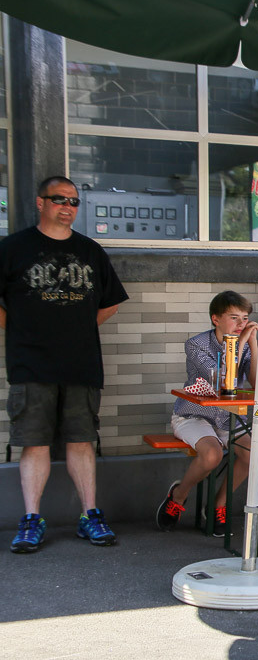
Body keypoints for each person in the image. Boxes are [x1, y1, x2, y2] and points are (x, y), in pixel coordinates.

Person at [2, 176, 128, 553]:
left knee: (81, 440)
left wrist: (74, 330)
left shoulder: (90, 251)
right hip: (30, 363)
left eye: (74, 201)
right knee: (34, 442)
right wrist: (23, 329)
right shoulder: (13, 248)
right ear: (40, 202)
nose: (68, 207)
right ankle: (31, 520)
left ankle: (90, 515)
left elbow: (111, 302)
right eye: (59, 199)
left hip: (81, 362)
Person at [157, 291, 258, 536]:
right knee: (212, 455)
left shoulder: (245, 344)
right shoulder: (196, 344)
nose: (241, 324)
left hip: (227, 416)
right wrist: (242, 343)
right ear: (216, 319)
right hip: (194, 414)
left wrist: (254, 344)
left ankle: (218, 505)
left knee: (251, 452)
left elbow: (255, 383)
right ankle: (179, 496)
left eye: (245, 318)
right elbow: (223, 381)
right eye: (234, 318)